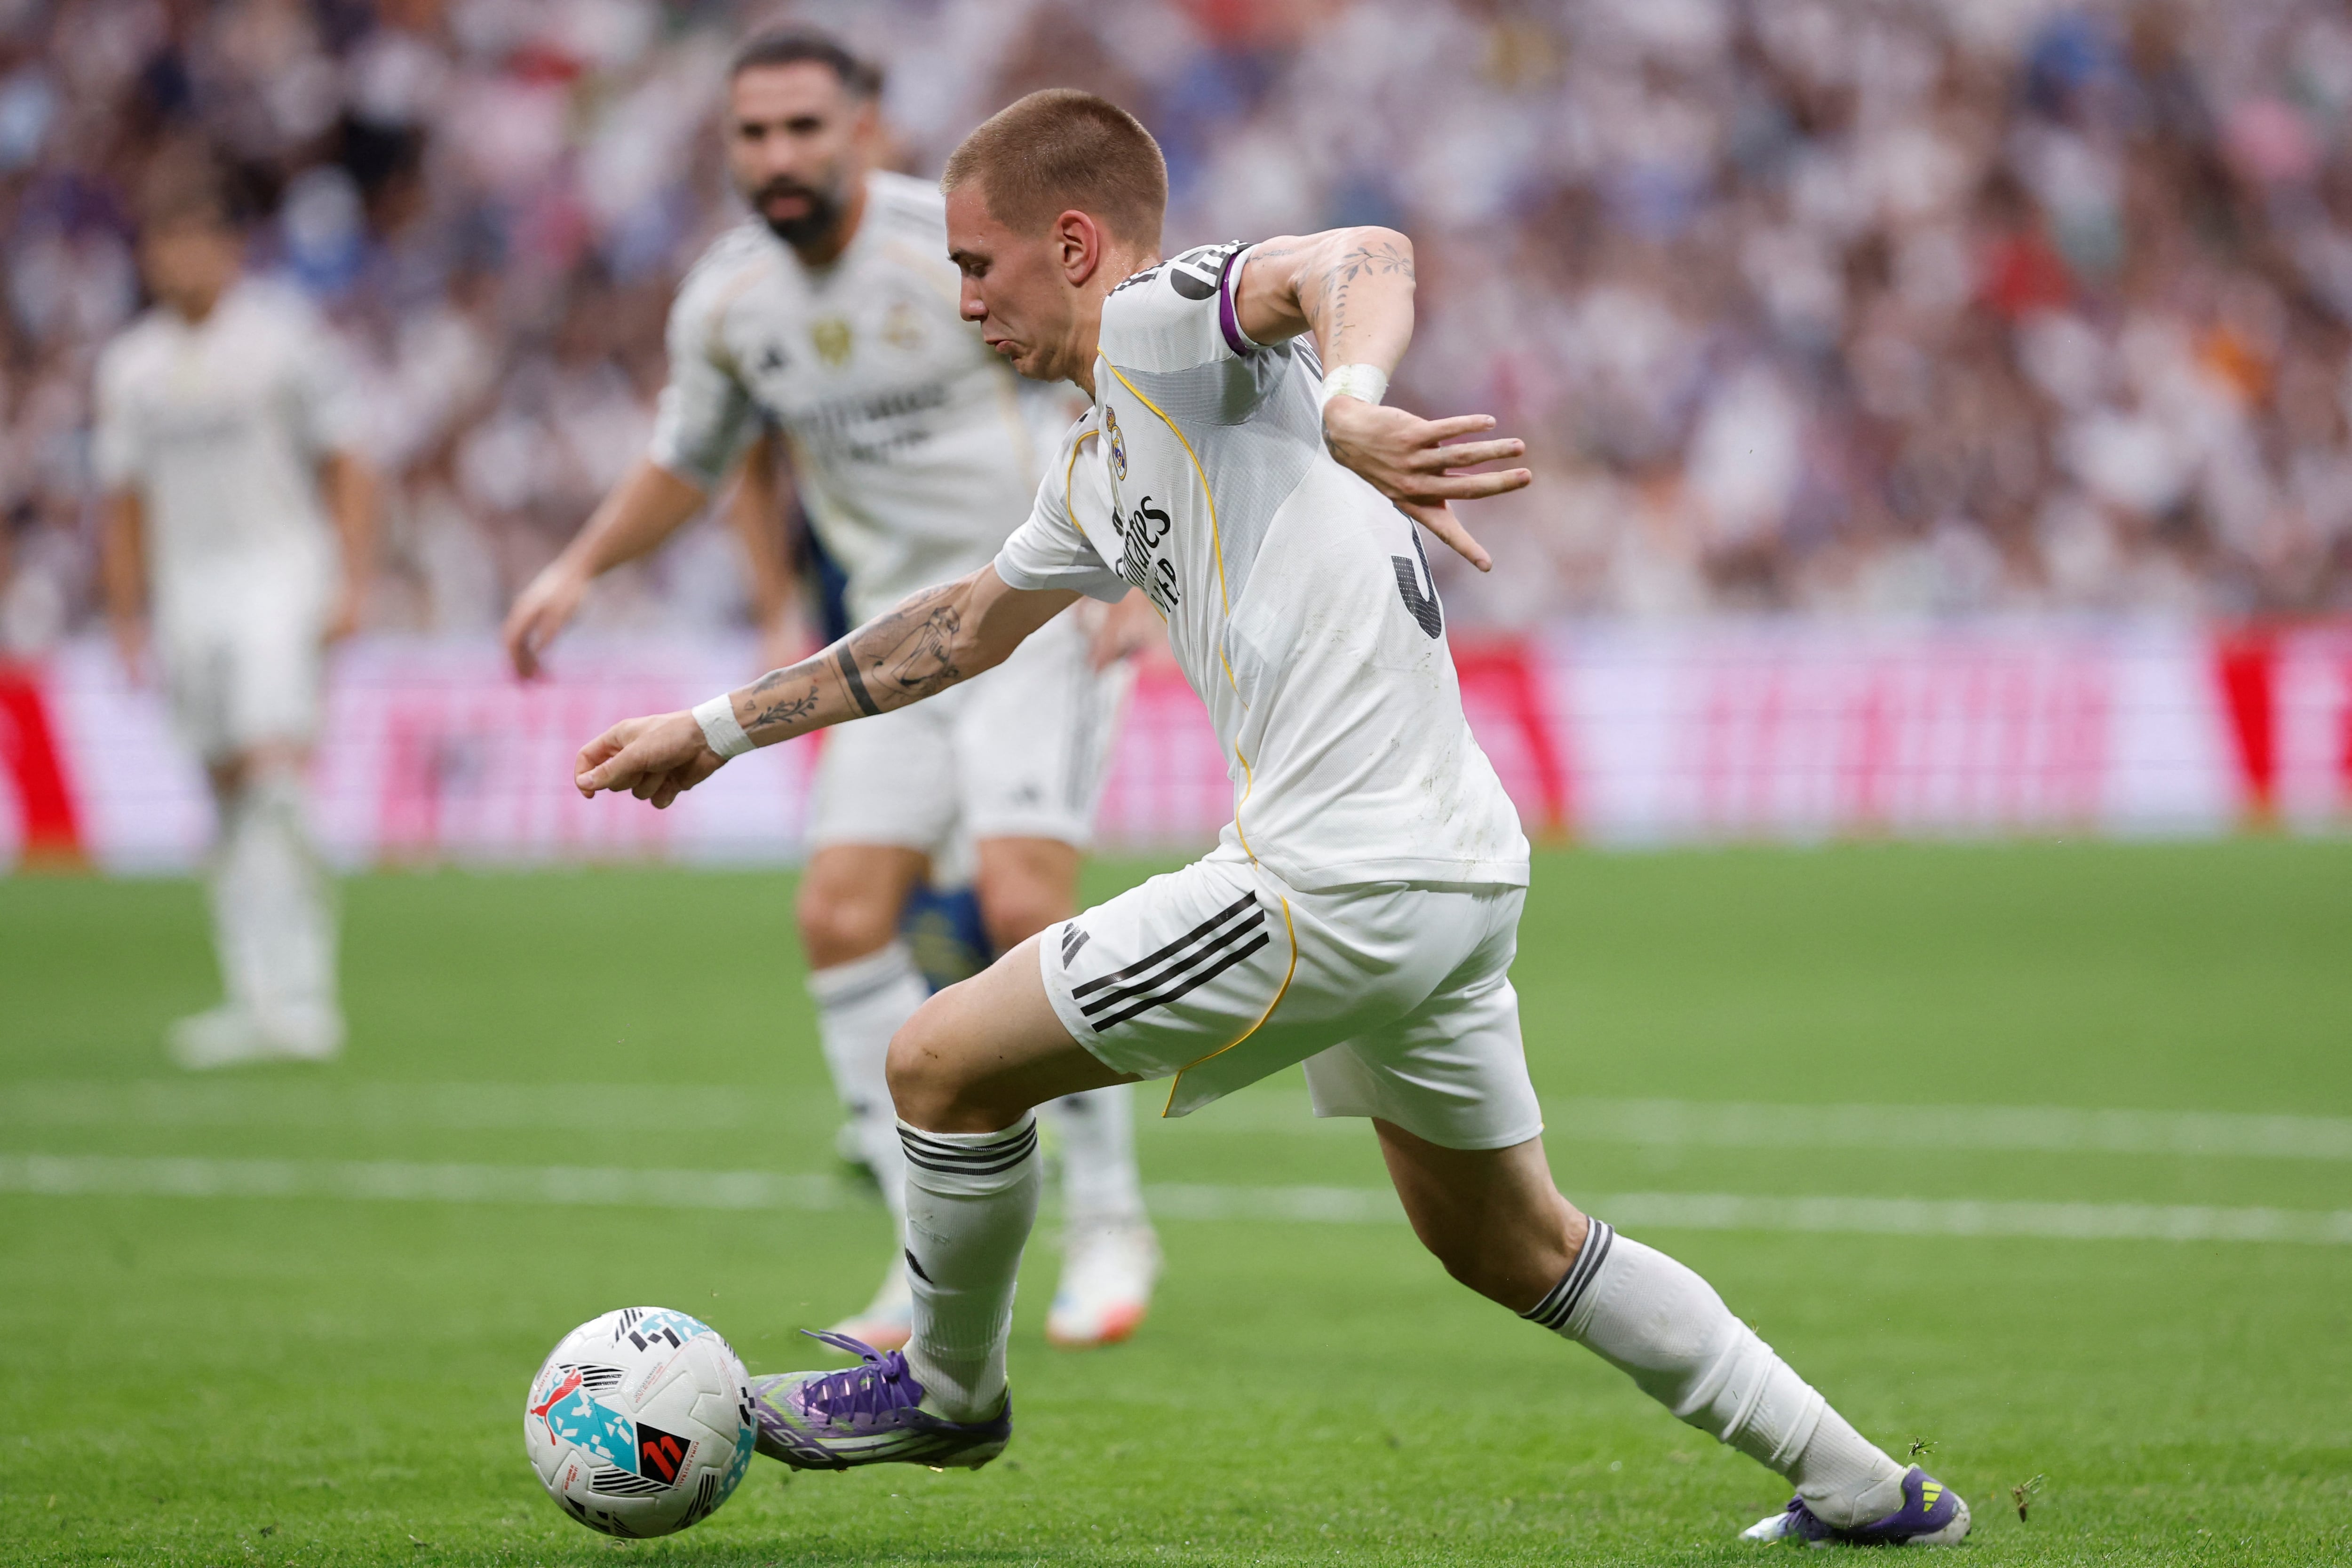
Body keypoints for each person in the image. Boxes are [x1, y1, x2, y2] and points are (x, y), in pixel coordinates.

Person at [572, 89, 1970, 1548]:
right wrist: (715, 729)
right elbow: (960, 627)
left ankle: (946, 1386)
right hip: (1450, 872)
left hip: (1336, 879)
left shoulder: (1163, 326)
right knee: (1513, 1242)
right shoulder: (1100, 453)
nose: (964, 299)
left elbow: (1358, 253)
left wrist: (1354, 399)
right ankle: (1871, 1488)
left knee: (939, 1060)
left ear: (1073, 245)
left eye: (979, 266)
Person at [502, 30, 1162, 1350]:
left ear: (865, 128)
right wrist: (581, 563)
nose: (779, 156)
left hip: (1036, 608)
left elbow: (1107, 369)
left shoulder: (958, 249)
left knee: (1021, 902)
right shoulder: (729, 300)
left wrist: (1136, 567)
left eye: (805, 127)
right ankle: (927, 1245)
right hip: (887, 644)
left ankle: (1108, 1218)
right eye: (754, 134)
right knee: (840, 914)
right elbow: (690, 461)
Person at [96, 171, 374, 1069]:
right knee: (221, 788)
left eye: (195, 241)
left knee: (272, 768)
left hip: (278, 575)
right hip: (189, 591)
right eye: (164, 244)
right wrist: (127, 616)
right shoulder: (131, 366)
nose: (180, 261)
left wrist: (350, 580)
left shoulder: (283, 339)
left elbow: (348, 459)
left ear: (229, 248)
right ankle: (252, 993)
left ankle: (305, 991)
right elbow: (123, 501)